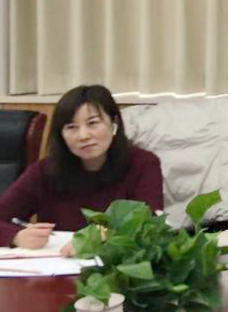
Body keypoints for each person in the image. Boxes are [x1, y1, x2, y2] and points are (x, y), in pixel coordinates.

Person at [0, 85, 164, 251]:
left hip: (118, 263)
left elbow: (149, 224)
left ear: (114, 124)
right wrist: (16, 236)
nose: (83, 136)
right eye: (71, 127)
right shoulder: (45, 170)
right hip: (57, 262)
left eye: (92, 123)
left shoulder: (143, 163)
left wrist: (95, 239)